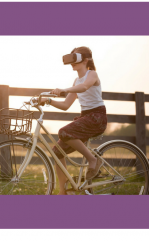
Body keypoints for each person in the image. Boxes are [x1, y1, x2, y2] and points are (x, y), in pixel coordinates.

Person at [39, 46, 108, 195]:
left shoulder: (92, 74)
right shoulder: (76, 80)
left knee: (64, 132)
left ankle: (93, 160)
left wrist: (64, 89)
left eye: (74, 58)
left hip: (97, 117)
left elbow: (84, 87)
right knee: (57, 152)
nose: (72, 62)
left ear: (85, 60)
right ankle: (62, 191)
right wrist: (49, 100)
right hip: (85, 117)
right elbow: (65, 105)